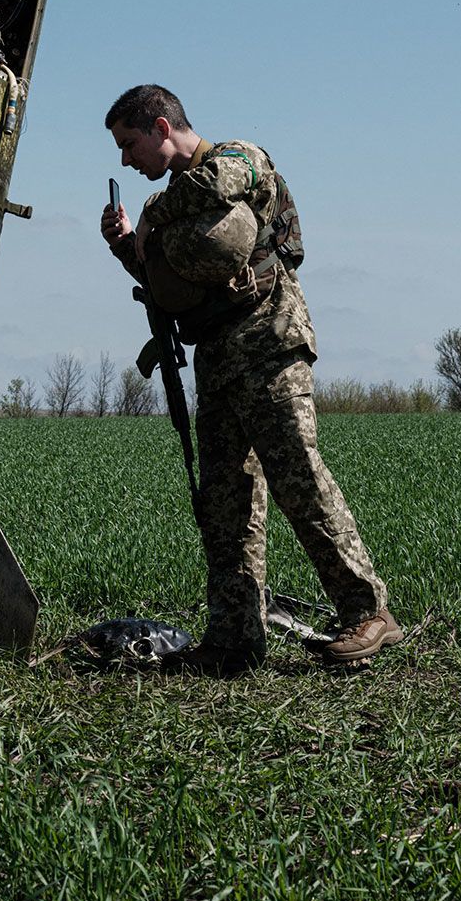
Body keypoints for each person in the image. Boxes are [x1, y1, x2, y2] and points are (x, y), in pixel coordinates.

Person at [99, 84, 399, 676]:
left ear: (162, 128)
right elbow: (168, 279)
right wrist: (128, 247)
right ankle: (234, 640)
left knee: (297, 477)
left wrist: (153, 217)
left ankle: (368, 612)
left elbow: (217, 186)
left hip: (269, 340)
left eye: (129, 144)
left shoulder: (237, 158)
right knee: (225, 501)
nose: (126, 161)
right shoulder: (178, 205)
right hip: (217, 354)